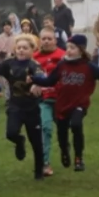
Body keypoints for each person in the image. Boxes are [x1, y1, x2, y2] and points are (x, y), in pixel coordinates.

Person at [32, 34, 99, 173]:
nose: (69, 50)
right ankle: (64, 150)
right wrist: (33, 79)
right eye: (68, 47)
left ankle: (78, 158)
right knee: (62, 134)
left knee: (76, 125)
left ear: (81, 50)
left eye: (72, 48)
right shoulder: (62, 65)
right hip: (62, 105)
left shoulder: (89, 67)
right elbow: (49, 81)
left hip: (79, 104)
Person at [0, 35, 45, 179]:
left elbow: (42, 76)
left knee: (36, 142)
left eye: (25, 48)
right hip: (15, 106)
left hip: (32, 108)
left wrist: (37, 83)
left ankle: (39, 171)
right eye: (19, 47)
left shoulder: (34, 65)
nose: (21, 50)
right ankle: (19, 141)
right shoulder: (9, 63)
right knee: (11, 133)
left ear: (32, 50)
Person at [32, 27, 66, 176]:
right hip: (43, 100)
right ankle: (45, 163)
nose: (46, 41)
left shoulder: (63, 56)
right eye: (43, 39)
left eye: (49, 39)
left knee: (64, 130)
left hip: (61, 99)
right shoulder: (34, 58)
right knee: (45, 128)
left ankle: (65, 150)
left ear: (55, 40)